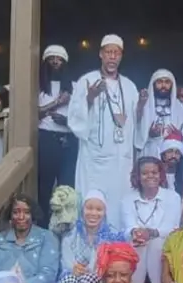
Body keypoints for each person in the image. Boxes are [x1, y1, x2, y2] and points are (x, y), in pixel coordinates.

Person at [68, 35, 145, 229]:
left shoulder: (129, 86)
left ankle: (118, 242)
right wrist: (90, 98)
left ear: (121, 56)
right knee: (94, 202)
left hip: (121, 161)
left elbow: (136, 124)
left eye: (116, 53)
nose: (112, 57)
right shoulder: (86, 80)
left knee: (119, 205)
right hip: (95, 160)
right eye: (108, 52)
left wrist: (141, 107)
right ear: (101, 54)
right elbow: (75, 120)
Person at [121, 157, 182, 283]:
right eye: (145, 173)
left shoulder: (173, 197)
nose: (150, 176)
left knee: (156, 244)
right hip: (138, 245)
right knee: (137, 245)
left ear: (160, 175)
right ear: (138, 176)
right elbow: (127, 227)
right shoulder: (127, 199)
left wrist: (151, 233)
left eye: (154, 172)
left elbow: (173, 229)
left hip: (164, 245)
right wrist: (135, 233)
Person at [38, 45, 76, 222]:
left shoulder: (75, 87)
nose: (55, 62)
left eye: (59, 59)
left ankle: (64, 226)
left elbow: (83, 117)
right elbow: (32, 114)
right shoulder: (37, 86)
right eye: (51, 58)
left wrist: (67, 121)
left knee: (67, 186)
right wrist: (57, 103)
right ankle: (43, 225)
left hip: (69, 140)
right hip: (46, 138)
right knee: (44, 185)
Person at [135, 69, 183, 158]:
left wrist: (178, 136)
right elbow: (135, 126)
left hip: (171, 155)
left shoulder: (178, 106)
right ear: (153, 84)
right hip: (149, 151)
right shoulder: (145, 104)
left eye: (167, 82)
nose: (163, 86)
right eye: (160, 82)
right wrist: (149, 135)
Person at [160, 130, 183, 197]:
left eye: (177, 153)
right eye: (170, 152)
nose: (173, 156)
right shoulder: (156, 176)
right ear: (163, 155)